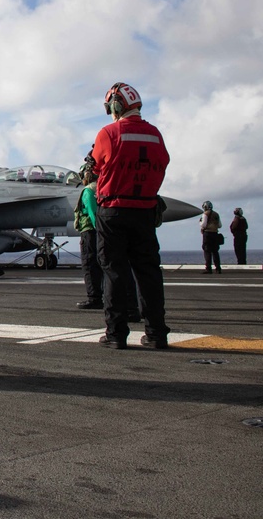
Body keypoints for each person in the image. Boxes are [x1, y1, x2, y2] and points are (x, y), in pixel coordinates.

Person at [91, 82, 170, 350]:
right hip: (145, 212)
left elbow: (96, 166)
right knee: (148, 272)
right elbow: (163, 163)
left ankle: (116, 333)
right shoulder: (155, 134)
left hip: (113, 211)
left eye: (109, 107)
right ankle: (156, 333)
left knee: (114, 272)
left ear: (116, 105)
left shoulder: (109, 133)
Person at [74, 164, 104, 309]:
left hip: (90, 231)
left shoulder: (88, 190)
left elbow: (93, 213)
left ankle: (94, 298)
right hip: (100, 232)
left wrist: (98, 229)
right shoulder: (101, 187)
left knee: (89, 264)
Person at [199, 201, 222, 274]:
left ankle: (208, 268)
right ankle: (218, 268)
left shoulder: (205, 214)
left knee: (207, 251)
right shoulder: (216, 214)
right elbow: (220, 225)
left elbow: (203, 225)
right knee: (215, 252)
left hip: (207, 234)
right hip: (215, 234)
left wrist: (200, 222)